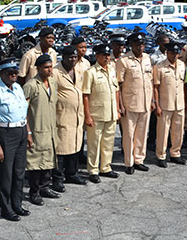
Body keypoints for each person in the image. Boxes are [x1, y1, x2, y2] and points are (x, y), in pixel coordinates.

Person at [0, 58, 30, 221]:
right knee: (5, 174)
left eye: (15, 72)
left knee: (19, 172)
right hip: (5, 134)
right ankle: (6, 208)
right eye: (10, 73)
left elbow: (23, 112)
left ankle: (17, 204)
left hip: (21, 131)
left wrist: (28, 133)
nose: (14, 76)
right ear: (1, 73)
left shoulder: (18, 88)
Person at [23, 54, 59, 206]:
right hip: (36, 130)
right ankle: (34, 191)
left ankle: (45, 187)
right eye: (46, 67)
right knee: (35, 163)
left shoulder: (52, 82)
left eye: (51, 67)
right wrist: (28, 132)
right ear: (38, 68)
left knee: (49, 160)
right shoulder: (31, 85)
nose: (49, 70)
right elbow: (22, 111)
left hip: (50, 129)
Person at [82, 44, 120, 183]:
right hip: (96, 114)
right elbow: (85, 95)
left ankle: (105, 167)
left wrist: (117, 109)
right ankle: (93, 170)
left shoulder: (112, 69)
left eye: (108, 55)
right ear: (97, 56)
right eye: (104, 55)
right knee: (94, 144)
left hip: (110, 113)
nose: (107, 58)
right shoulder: (90, 72)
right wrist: (87, 115)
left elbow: (116, 91)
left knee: (108, 143)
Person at [117, 32, 154, 175]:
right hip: (130, 104)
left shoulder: (147, 58)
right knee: (128, 135)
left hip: (145, 103)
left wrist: (152, 101)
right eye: (138, 44)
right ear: (131, 45)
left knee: (142, 134)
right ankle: (129, 162)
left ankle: (139, 160)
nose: (141, 46)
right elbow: (118, 85)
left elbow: (149, 81)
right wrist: (120, 105)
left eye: (142, 44)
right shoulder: (124, 60)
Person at [52, 44, 88, 187]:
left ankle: (72, 174)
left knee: (75, 146)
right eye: (70, 57)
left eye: (75, 57)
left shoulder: (78, 70)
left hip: (77, 116)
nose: (73, 60)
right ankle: (58, 179)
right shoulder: (55, 73)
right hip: (62, 115)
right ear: (64, 58)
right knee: (60, 149)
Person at [153, 42, 187, 167]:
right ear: (167, 53)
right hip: (165, 104)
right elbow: (155, 87)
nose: (174, 56)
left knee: (178, 131)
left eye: (177, 53)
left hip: (179, 104)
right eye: (172, 53)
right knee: (163, 132)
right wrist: (156, 105)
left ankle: (175, 153)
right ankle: (161, 155)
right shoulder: (159, 67)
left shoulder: (182, 65)